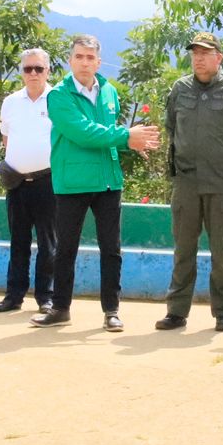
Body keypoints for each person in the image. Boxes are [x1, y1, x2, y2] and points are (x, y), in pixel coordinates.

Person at [31, 34, 159, 332]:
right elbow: (83, 133)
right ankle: (60, 308)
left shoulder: (109, 92)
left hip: (108, 181)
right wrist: (127, 136)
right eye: (79, 57)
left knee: (111, 249)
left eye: (90, 58)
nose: (85, 62)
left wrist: (131, 143)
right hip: (73, 182)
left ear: (98, 61)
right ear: (70, 61)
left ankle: (111, 310)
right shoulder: (58, 96)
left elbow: (107, 131)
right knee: (66, 249)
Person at [157, 31, 223, 333]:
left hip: (222, 183)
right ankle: (176, 312)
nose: (198, 58)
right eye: (194, 53)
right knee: (183, 250)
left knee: (222, 252)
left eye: (205, 52)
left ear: (219, 57)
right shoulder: (180, 89)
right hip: (186, 182)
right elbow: (171, 127)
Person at [0, 48, 57, 313]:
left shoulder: (58, 99)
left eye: (38, 68)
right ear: (22, 72)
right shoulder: (11, 102)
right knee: (18, 242)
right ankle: (13, 296)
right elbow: (6, 139)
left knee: (48, 243)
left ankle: (47, 297)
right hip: (17, 182)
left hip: (48, 181)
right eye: (28, 68)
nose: (33, 73)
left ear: (48, 71)